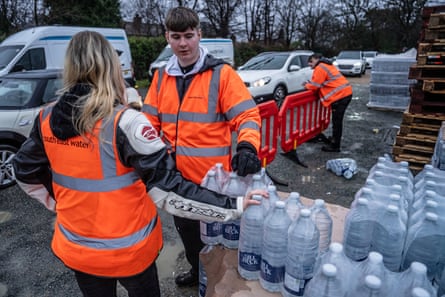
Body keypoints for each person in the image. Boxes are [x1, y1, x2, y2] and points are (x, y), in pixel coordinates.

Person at [11, 31, 267, 297]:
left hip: (78, 250)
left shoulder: (45, 118)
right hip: (129, 254)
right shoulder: (126, 123)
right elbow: (169, 191)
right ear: (109, 66)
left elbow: (24, 170)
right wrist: (233, 205)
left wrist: (57, 202)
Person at [142, 7, 262, 287]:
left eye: (188, 36)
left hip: (211, 183)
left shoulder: (222, 75)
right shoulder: (161, 77)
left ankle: (219, 281)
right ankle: (199, 275)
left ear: (199, 35)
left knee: (216, 239)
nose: (182, 44)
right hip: (176, 181)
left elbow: (247, 115)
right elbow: (148, 125)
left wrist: (246, 146)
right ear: (166, 37)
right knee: (188, 235)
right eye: (175, 37)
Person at [304, 53, 353, 152]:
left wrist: (306, 85)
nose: (310, 65)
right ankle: (335, 140)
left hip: (341, 96)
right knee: (337, 121)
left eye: (311, 62)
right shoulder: (327, 65)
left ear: (316, 59)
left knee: (337, 121)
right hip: (344, 94)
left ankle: (335, 146)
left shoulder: (320, 67)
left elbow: (315, 86)